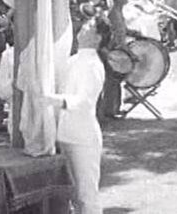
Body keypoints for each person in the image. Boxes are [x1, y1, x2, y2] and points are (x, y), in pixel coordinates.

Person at [41, 15, 106, 214]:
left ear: (98, 38)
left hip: (83, 137)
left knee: (87, 195)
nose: (84, 27)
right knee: (73, 195)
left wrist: (55, 100)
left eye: (90, 26)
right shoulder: (73, 60)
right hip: (65, 134)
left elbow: (85, 101)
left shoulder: (94, 65)